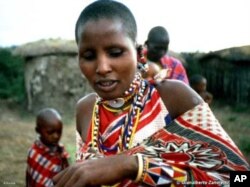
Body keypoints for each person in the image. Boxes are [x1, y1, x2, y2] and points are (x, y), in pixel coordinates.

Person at [53, 0, 249, 186]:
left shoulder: (173, 98)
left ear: (139, 53)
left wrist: (135, 166)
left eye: (115, 52)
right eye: (88, 56)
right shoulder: (85, 109)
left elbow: (237, 179)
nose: (102, 67)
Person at [26, 108, 70, 187]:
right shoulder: (34, 153)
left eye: (59, 132)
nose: (56, 136)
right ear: (38, 130)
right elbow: (30, 176)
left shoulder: (60, 149)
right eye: (50, 132)